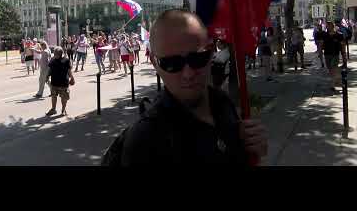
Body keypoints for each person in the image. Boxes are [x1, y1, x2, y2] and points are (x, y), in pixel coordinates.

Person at [101, 9, 267, 166]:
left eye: (197, 58)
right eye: (172, 63)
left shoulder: (223, 103)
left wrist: (252, 152)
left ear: (211, 52)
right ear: (154, 63)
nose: (188, 74)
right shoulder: (146, 140)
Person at [45, 47, 75, 116]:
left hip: (63, 83)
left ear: (61, 54)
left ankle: (63, 110)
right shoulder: (52, 60)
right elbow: (50, 69)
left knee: (64, 98)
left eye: (56, 53)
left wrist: (72, 78)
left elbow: (69, 71)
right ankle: (53, 109)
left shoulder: (66, 60)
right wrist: (47, 76)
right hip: (54, 83)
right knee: (53, 96)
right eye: (55, 53)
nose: (55, 54)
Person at [322, 21, 346, 92]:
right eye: (327, 26)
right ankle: (338, 81)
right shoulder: (325, 35)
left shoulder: (339, 35)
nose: (327, 27)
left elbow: (342, 45)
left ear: (333, 26)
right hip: (327, 55)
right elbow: (322, 44)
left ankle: (332, 85)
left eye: (329, 25)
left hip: (335, 54)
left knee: (334, 68)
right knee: (330, 69)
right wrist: (320, 51)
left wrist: (343, 55)